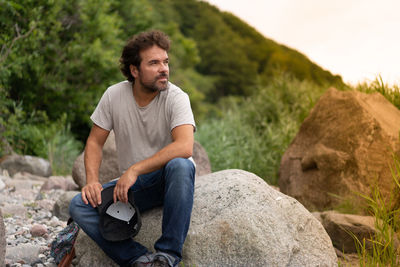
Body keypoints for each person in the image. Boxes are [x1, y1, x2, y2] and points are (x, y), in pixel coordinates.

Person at [69, 30, 196, 267]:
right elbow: (95, 141)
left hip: (170, 180)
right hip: (134, 189)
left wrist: (135, 169)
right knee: (78, 204)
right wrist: (92, 181)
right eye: (154, 63)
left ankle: (168, 255)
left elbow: (184, 146)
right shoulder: (114, 95)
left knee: (180, 165)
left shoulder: (177, 97)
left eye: (165, 62)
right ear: (134, 70)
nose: (164, 69)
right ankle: (139, 259)